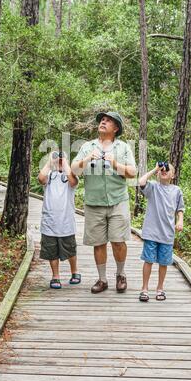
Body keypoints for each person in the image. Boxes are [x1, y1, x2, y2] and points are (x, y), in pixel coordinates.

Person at [71, 111, 137, 294]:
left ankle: (121, 274)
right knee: (98, 243)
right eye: (102, 120)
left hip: (118, 201)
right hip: (94, 202)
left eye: (108, 121)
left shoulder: (123, 147)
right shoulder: (87, 146)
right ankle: (102, 279)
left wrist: (115, 164)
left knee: (118, 241)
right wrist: (86, 159)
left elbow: (132, 172)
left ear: (115, 128)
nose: (103, 122)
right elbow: (74, 170)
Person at [138, 161, 185, 302]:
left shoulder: (176, 190)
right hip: (151, 232)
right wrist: (155, 169)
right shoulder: (152, 187)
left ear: (173, 175)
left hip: (167, 233)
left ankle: (160, 288)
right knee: (148, 260)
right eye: (162, 170)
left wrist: (180, 220)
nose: (164, 171)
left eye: (167, 170)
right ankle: (144, 289)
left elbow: (180, 208)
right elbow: (141, 181)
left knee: (164, 263)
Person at [38, 151, 81, 289]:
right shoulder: (49, 176)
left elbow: (73, 181)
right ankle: (55, 276)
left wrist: (65, 162)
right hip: (49, 221)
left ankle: (75, 272)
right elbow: (40, 178)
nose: (59, 160)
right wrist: (51, 162)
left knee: (70, 249)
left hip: (66, 222)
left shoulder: (70, 177)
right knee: (51, 251)